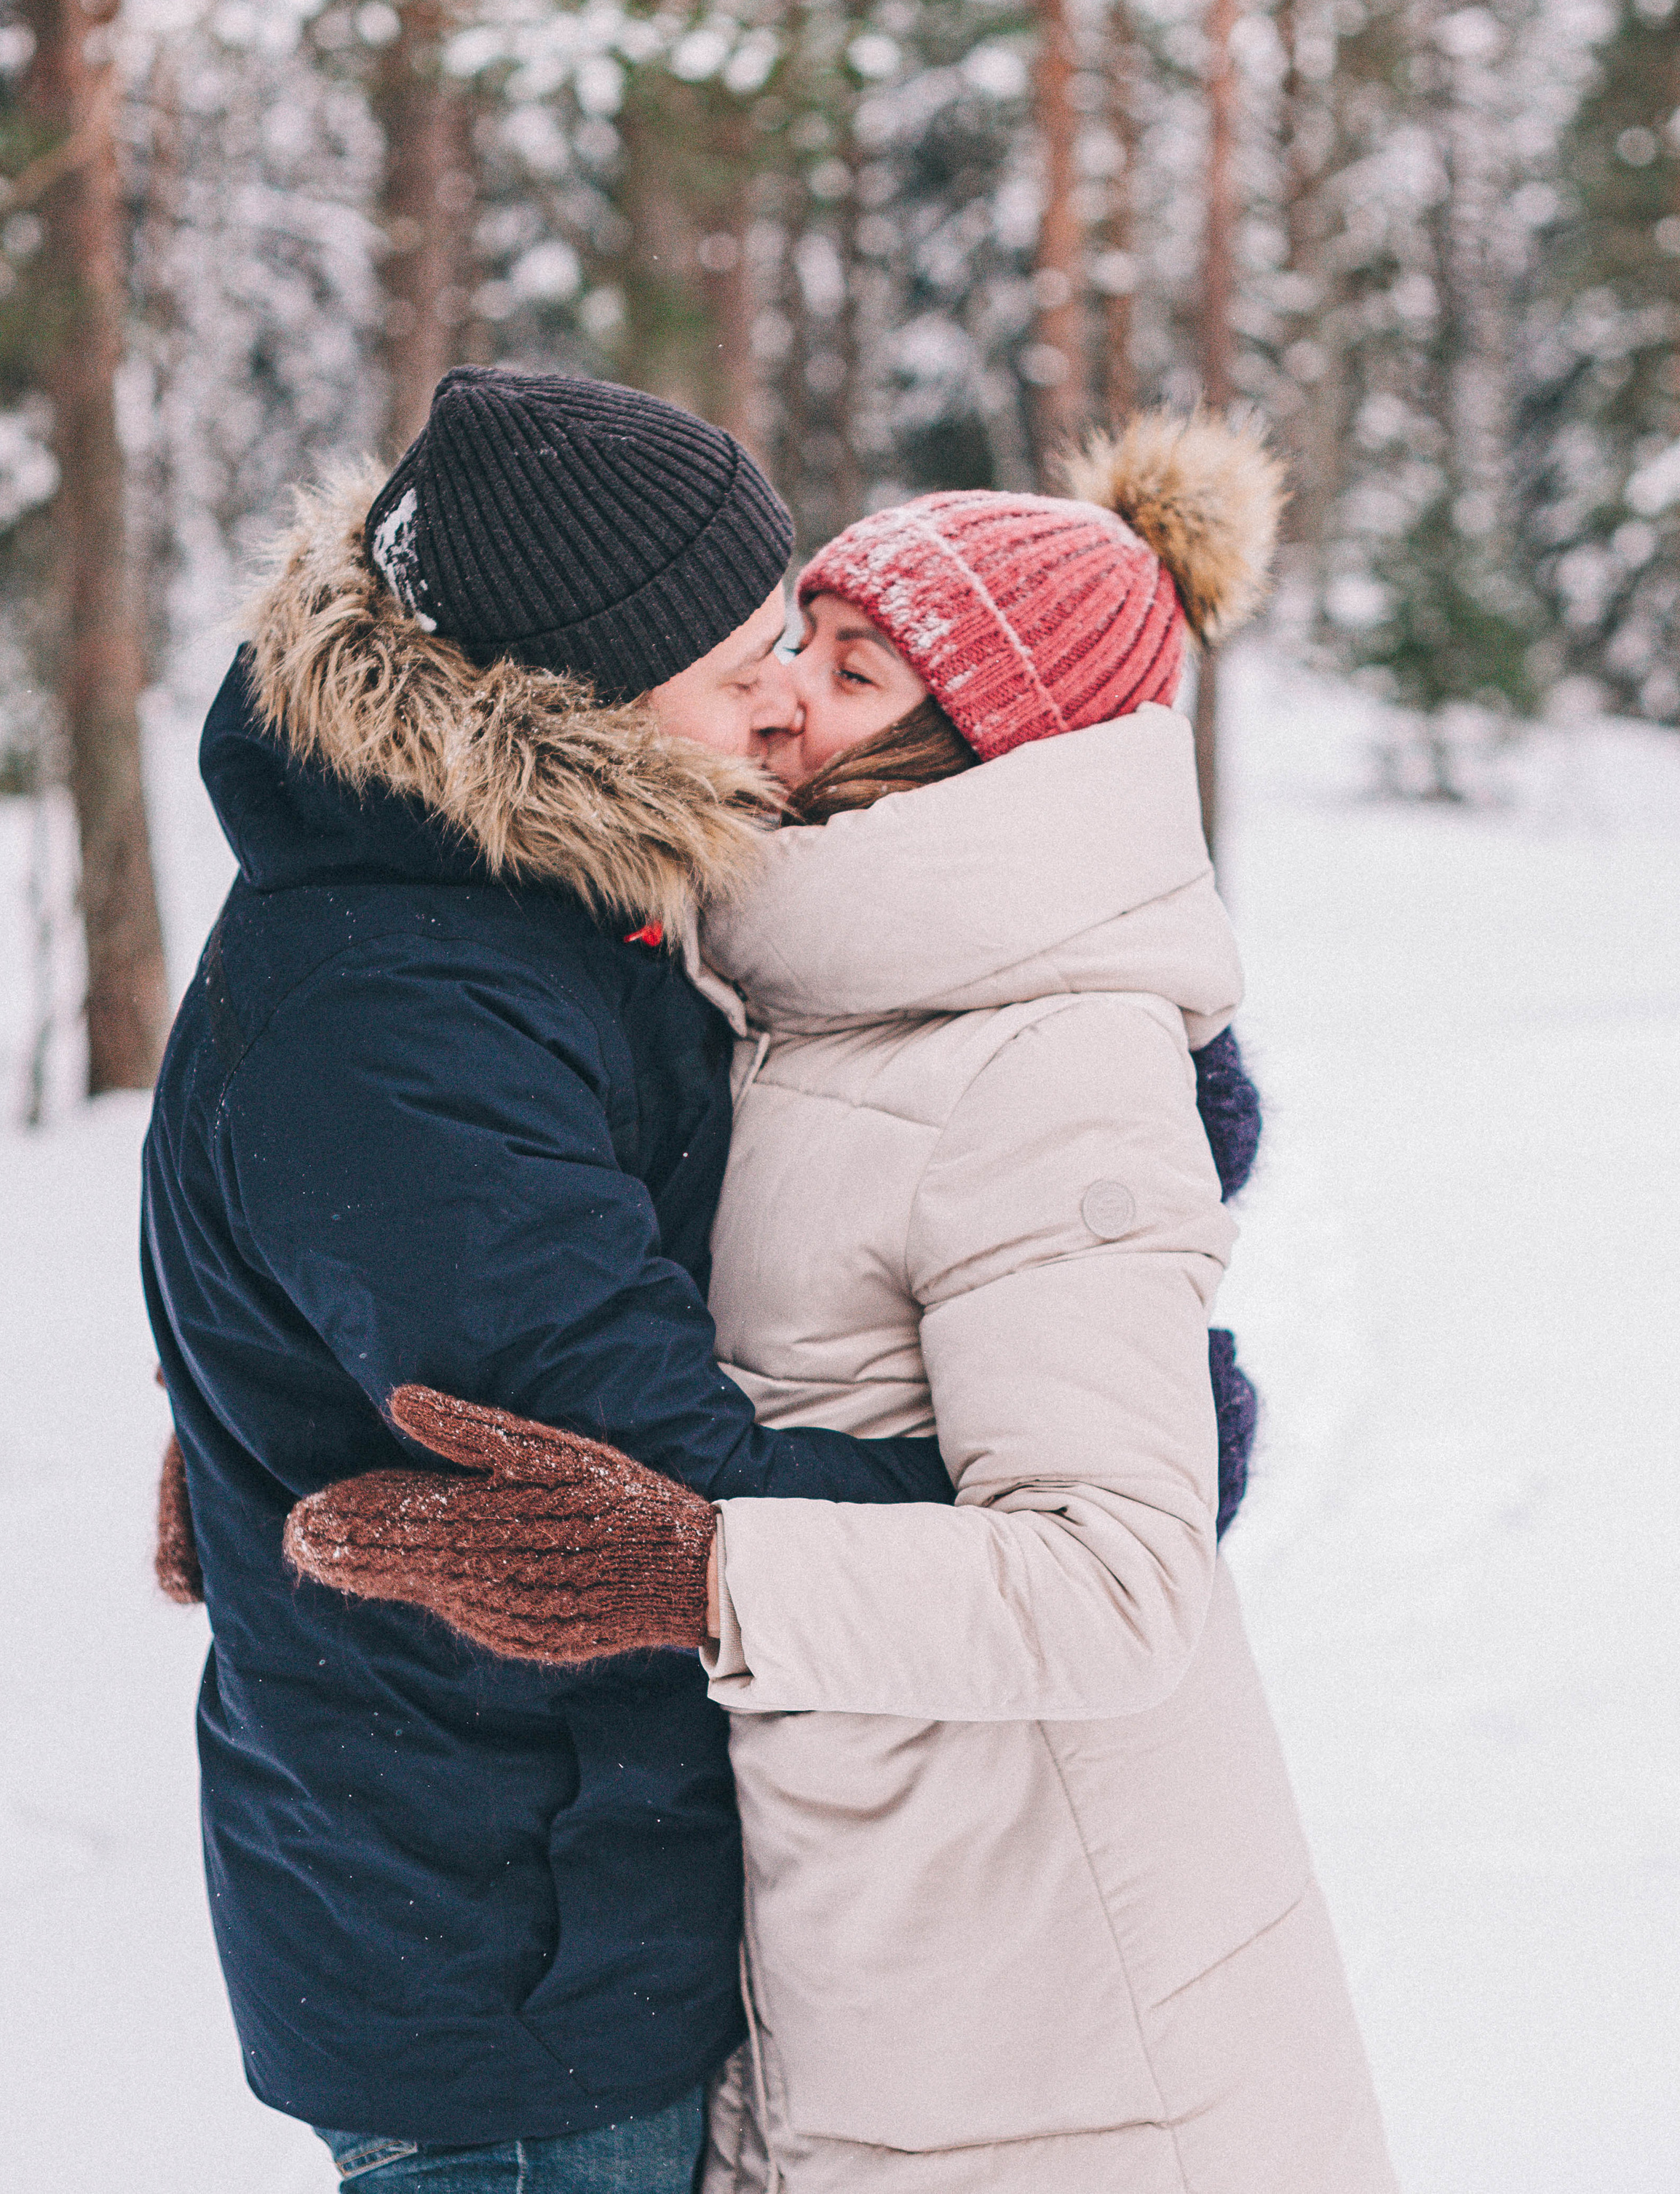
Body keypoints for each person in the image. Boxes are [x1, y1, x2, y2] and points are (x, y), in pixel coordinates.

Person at [291, 413, 1399, 2192]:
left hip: (1049, 2006)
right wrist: (319, 1385)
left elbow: (1120, 1581)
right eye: (798, 638)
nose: (782, 693)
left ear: (977, 749)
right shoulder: (807, 989)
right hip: (866, 1938)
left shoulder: (1050, 1060)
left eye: (852, 667)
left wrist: (696, 1571)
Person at [141, 368, 958, 2191]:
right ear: (566, 703)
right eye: (736, 661)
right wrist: (1039, 1505)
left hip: (547, 1884)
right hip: (506, 1960)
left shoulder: (517, 897)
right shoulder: (405, 1011)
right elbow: (656, 1480)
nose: (784, 694)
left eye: (787, 629)